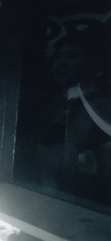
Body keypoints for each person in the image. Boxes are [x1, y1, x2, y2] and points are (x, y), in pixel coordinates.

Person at [36, 27, 111, 203]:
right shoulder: (49, 103)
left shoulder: (103, 105)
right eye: (58, 57)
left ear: (95, 61)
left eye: (72, 56)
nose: (62, 63)